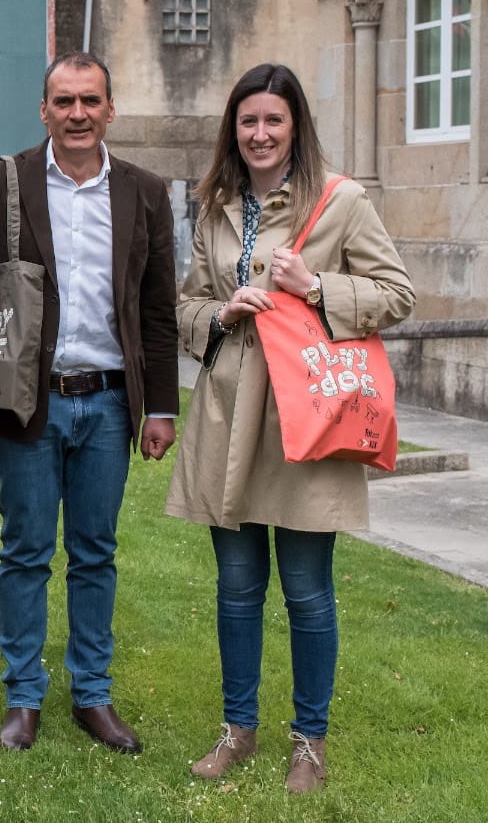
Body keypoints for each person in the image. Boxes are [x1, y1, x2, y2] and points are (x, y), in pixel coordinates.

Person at [165, 63, 415, 792]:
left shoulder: (341, 201)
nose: (260, 133)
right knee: (237, 586)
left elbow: (397, 293)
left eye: (274, 119)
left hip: (306, 417)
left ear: (296, 125)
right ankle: (236, 730)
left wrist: (317, 286)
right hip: (228, 416)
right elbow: (186, 306)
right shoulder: (215, 205)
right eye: (248, 120)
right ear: (233, 129)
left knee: (306, 590)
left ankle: (310, 741)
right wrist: (220, 312)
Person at [0, 51, 179, 754]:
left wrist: (161, 406)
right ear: (44, 110)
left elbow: (158, 310)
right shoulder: (4, 182)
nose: (77, 113)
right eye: (64, 101)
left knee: (95, 554)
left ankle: (92, 695)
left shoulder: (145, 191)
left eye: (90, 101)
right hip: (28, 403)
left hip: (109, 403)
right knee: (25, 551)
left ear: (110, 110)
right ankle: (23, 697)